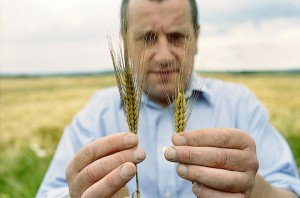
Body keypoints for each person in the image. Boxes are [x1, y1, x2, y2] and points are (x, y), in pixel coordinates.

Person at [37, 0, 300, 197]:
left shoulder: (241, 105)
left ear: (196, 37)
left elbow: (289, 191)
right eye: (148, 38)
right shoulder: (95, 115)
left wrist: (255, 191)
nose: (163, 56)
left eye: (176, 37)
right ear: (125, 41)